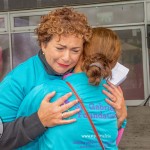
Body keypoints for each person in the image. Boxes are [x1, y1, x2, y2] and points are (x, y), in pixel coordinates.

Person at [0, 8, 126, 149]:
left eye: (75, 50)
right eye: (60, 48)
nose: (66, 58)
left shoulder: (86, 76)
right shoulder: (16, 82)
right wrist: (39, 121)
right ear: (43, 44)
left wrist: (119, 118)